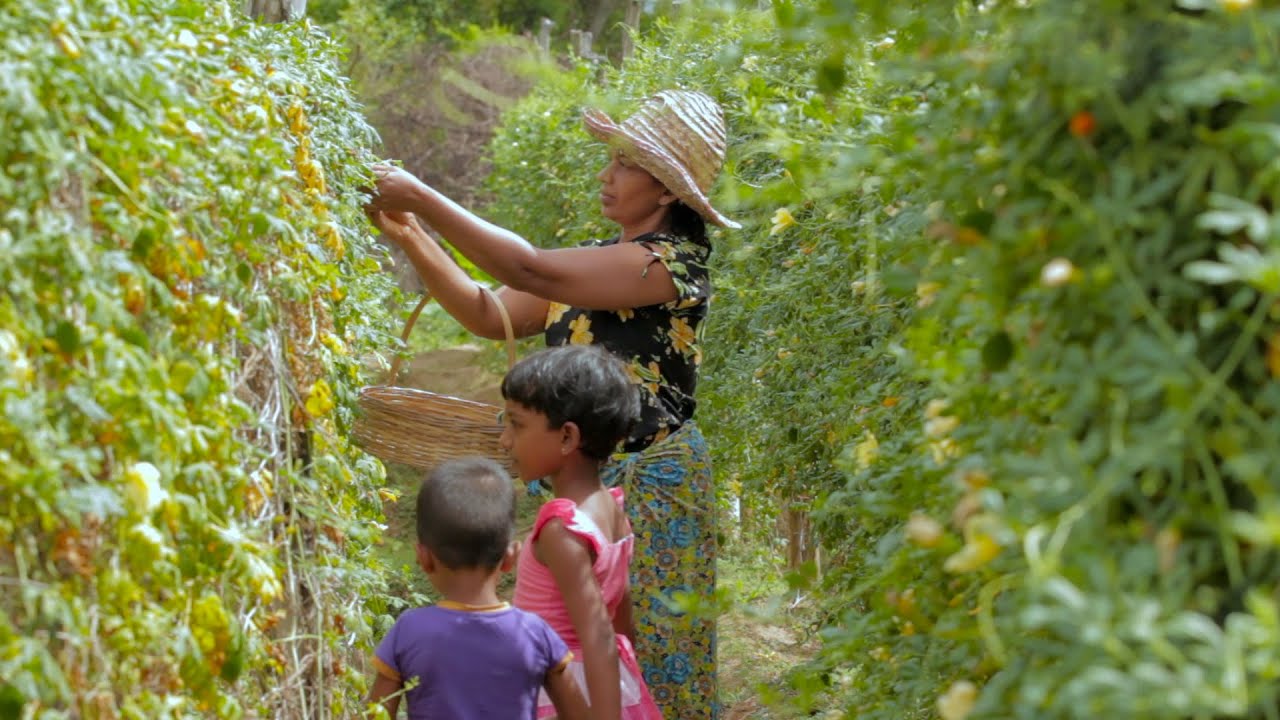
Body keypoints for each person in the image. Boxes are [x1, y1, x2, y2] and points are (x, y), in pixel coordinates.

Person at [366, 89, 738, 719]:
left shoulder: (673, 267)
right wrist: (409, 232)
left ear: (666, 190)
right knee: (575, 646)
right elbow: (490, 314)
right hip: (581, 477)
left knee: (658, 654)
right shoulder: (597, 260)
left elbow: (531, 269)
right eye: (611, 159)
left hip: (651, 484)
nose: (607, 175)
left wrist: (422, 196)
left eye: (625, 164)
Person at [501, 345, 661, 720]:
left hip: (561, 694)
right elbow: (620, 620)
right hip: (607, 685)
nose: (504, 440)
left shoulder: (562, 529)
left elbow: (598, 635)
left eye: (516, 425)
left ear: (567, 438)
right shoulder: (612, 509)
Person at [367, 457, 589, 720]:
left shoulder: (408, 630)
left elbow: (376, 714)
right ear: (511, 557)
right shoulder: (534, 633)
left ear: (423, 557)